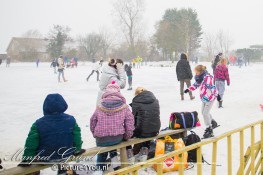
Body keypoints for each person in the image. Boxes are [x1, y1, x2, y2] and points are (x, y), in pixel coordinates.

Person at [18, 94, 84, 175]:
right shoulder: (71, 120)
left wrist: (27, 158)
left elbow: (31, 144)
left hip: (45, 158)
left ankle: (35, 173)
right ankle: (63, 172)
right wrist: (77, 149)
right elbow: (77, 137)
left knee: (34, 166)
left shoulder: (38, 123)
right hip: (65, 155)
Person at [90, 81, 134, 171]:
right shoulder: (124, 107)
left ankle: (99, 170)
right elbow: (130, 123)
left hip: (101, 139)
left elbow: (92, 121)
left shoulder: (99, 106)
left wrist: (95, 134)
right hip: (117, 138)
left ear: (106, 92)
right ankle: (115, 163)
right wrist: (126, 137)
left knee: (102, 152)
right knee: (112, 143)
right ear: (118, 92)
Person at [184, 65, 220, 139]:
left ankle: (209, 129)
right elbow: (196, 84)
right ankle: (213, 122)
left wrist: (217, 95)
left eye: (196, 72)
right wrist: (189, 89)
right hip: (204, 98)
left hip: (210, 98)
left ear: (200, 71)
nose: (196, 73)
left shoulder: (207, 77)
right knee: (203, 112)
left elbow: (212, 87)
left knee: (205, 113)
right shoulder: (200, 77)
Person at [129, 87, 160, 161]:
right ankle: (144, 151)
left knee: (136, 131)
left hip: (142, 132)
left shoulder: (136, 101)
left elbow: (133, 117)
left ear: (137, 94)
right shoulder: (155, 100)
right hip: (155, 130)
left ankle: (130, 155)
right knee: (147, 127)